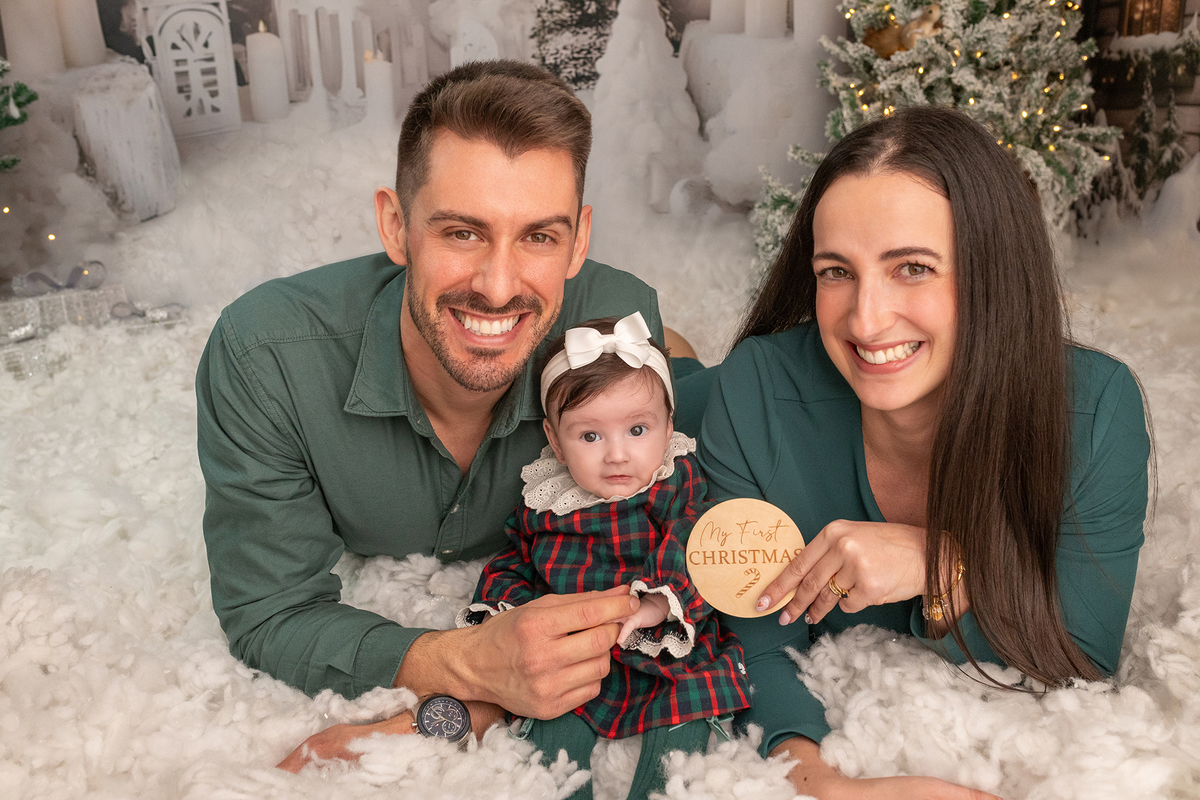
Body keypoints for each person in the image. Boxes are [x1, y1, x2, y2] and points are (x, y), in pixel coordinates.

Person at [195, 59, 706, 768]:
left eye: (539, 237)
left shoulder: (616, 327)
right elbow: (269, 611)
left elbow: (715, 513)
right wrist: (460, 663)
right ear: (396, 226)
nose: (498, 288)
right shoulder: (266, 356)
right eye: (463, 233)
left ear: (579, 241)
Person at [695, 105, 1151, 799]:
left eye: (912, 267)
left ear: (991, 272)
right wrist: (818, 779)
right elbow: (743, 638)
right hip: (680, 409)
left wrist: (941, 563)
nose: (867, 318)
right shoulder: (756, 388)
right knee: (653, 383)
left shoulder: (1092, 409)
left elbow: (1082, 655)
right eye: (835, 271)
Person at [457, 312, 749, 800]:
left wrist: (659, 603)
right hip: (578, 652)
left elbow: (700, 543)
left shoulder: (675, 483)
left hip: (663, 644)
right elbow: (517, 560)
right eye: (590, 436)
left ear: (668, 424)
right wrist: (503, 611)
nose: (617, 455)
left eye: (637, 430)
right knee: (547, 742)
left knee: (683, 750)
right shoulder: (546, 501)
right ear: (555, 439)